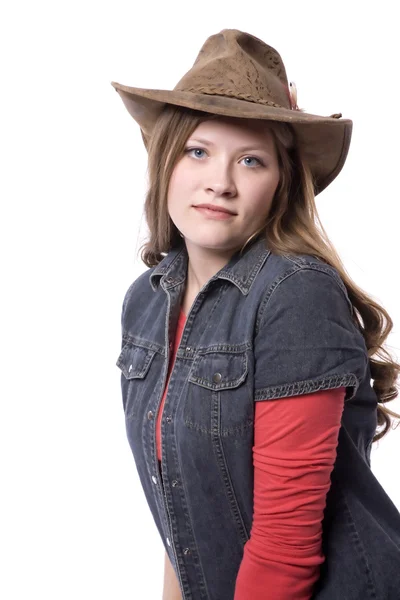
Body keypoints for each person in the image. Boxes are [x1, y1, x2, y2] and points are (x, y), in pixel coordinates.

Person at [112, 29, 400, 599]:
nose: (219, 182)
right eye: (198, 151)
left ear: (281, 184)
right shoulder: (147, 300)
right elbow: (181, 512)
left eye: (250, 160)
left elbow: (285, 549)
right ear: (166, 159)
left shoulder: (296, 294)